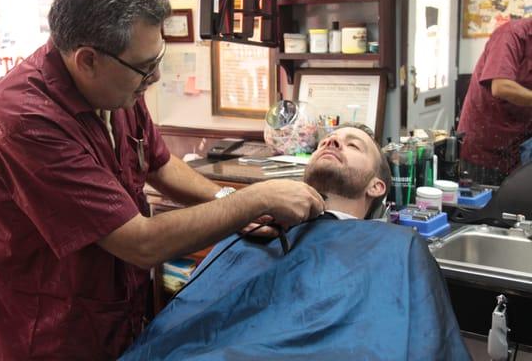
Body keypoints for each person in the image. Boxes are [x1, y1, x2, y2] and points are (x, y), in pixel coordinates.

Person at [0, 0, 324, 360]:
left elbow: (158, 162)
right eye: (144, 67)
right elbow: (140, 242)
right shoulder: (22, 120)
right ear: (88, 60)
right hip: (56, 333)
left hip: (121, 313)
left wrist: (224, 196)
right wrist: (254, 200)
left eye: (158, 59)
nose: (153, 78)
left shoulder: (115, 85)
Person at [120, 124, 471, 360]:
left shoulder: (398, 245)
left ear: (377, 187)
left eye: (353, 145)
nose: (332, 142)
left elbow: (425, 340)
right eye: (325, 142)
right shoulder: (252, 230)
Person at [457, 17, 532, 186]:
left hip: (519, 149)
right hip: (485, 148)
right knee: (485, 209)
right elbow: (501, 86)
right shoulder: (512, 34)